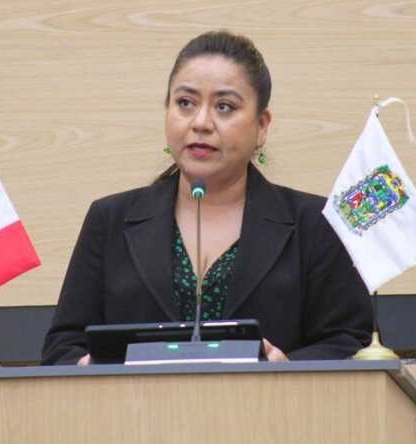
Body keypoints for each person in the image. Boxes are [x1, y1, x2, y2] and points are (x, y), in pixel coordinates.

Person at [41, 30, 372, 365]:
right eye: (185, 103)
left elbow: (352, 344)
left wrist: (287, 370)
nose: (200, 122)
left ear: (262, 125)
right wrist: (91, 367)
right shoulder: (110, 219)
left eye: (224, 107)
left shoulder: (316, 223)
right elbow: (63, 348)